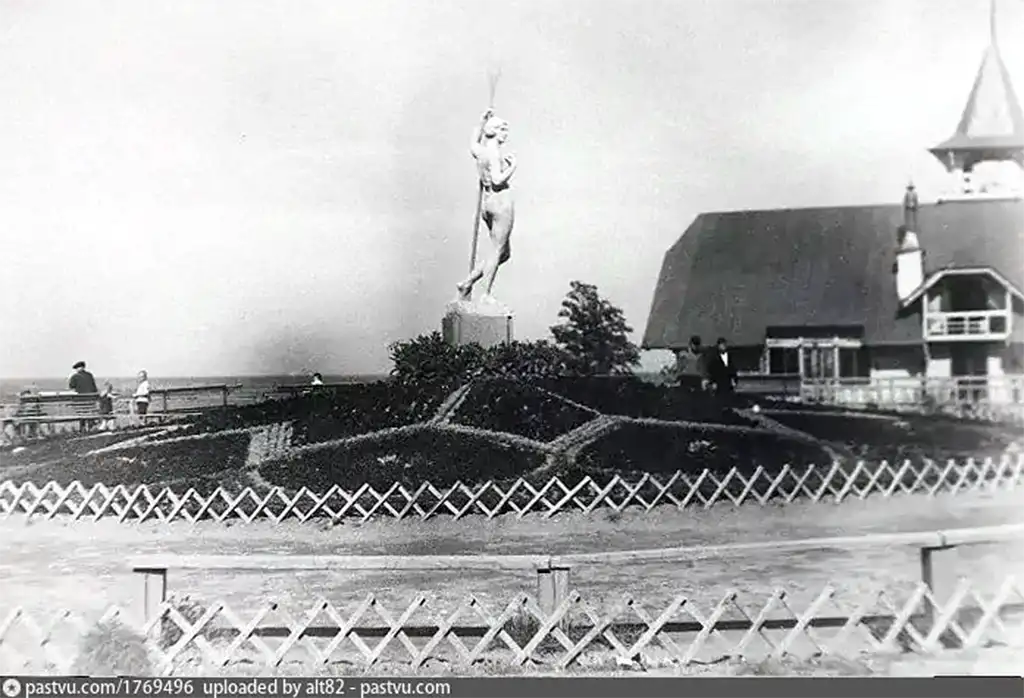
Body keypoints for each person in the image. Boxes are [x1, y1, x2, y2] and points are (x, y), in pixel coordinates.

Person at [456, 108, 517, 304]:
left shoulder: (481, 150)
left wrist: (481, 122)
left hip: (487, 204)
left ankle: (467, 282)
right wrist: (513, 167)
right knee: (497, 250)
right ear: (496, 131)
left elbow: (472, 143)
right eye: (504, 130)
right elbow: (498, 180)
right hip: (500, 202)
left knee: (504, 253)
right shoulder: (494, 154)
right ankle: (486, 294)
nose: (506, 134)